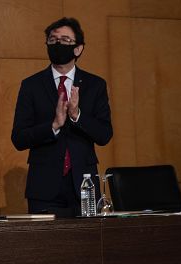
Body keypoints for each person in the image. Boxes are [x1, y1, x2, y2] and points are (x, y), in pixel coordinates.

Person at [10, 17, 113, 216]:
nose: (57, 44)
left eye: (65, 40)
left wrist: (77, 115)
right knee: (46, 246)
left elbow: (104, 134)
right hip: (44, 187)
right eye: (52, 40)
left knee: (87, 244)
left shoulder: (95, 85)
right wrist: (54, 125)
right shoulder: (31, 85)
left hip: (84, 185)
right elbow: (19, 138)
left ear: (78, 48)